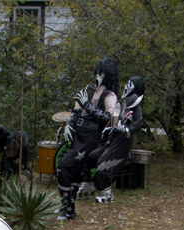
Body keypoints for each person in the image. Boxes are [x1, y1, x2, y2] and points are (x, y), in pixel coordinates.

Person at [56, 58, 120, 220]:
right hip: (78, 135)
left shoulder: (109, 95)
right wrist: (69, 125)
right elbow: (75, 111)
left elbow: (106, 117)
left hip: (90, 138)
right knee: (75, 173)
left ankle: (68, 208)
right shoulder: (88, 90)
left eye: (102, 73)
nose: (98, 75)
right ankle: (67, 208)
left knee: (62, 167)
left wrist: (87, 105)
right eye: (97, 72)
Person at [93, 76, 144, 203]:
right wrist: (111, 129)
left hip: (122, 142)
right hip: (115, 138)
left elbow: (134, 124)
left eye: (130, 84)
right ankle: (87, 187)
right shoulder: (126, 102)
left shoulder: (135, 105)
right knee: (91, 157)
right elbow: (120, 121)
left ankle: (106, 194)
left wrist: (125, 130)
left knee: (103, 162)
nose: (126, 86)